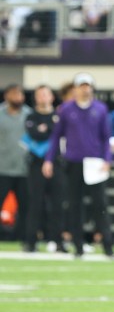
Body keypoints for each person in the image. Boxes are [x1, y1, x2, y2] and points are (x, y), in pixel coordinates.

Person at [44, 73, 114, 258]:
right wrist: (49, 160)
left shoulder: (100, 108)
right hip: (74, 162)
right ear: (75, 88)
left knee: (100, 205)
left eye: (87, 86)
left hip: (95, 163)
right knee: (75, 205)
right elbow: (56, 137)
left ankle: (108, 246)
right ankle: (78, 246)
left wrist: (107, 159)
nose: (85, 89)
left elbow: (106, 137)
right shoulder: (66, 109)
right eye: (81, 86)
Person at [23, 85, 60, 252]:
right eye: (40, 95)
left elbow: (57, 133)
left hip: (57, 163)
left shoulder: (59, 115)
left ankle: (57, 240)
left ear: (52, 97)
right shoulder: (31, 115)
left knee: (58, 203)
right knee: (35, 203)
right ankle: (31, 241)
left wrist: (47, 130)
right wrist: (48, 131)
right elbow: (34, 135)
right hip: (36, 164)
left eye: (46, 94)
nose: (43, 97)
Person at [0, 84, 32, 248]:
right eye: (13, 94)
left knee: (26, 206)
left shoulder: (29, 115)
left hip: (23, 169)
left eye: (19, 94)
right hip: (2, 168)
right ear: (6, 96)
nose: (17, 97)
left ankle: (25, 238)